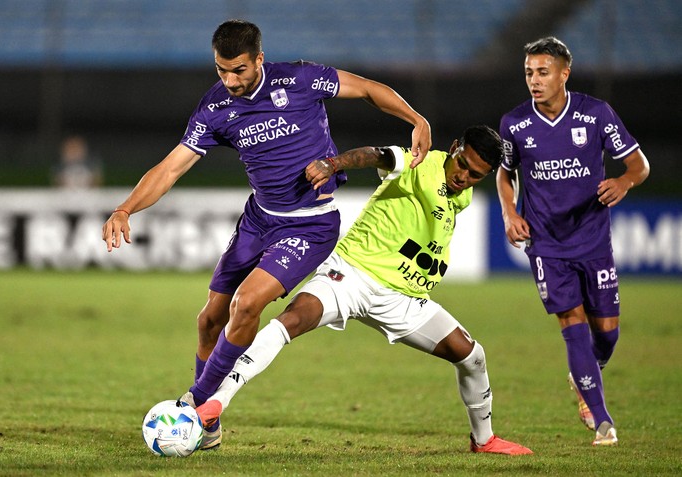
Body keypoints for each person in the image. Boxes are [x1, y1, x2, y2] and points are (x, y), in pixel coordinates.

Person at [101, 19, 431, 450]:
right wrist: (126, 208)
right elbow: (170, 168)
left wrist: (416, 118)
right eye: (221, 70)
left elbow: (367, 88)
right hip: (258, 221)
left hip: (311, 225)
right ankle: (209, 426)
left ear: (259, 58)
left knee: (248, 302)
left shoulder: (302, 79)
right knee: (209, 321)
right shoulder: (215, 107)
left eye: (238, 70)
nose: (229, 80)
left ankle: (196, 405)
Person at [182, 125, 533, 455]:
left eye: (475, 175)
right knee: (290, 321)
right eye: (463, 165)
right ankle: (217, 403)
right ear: (454, 148)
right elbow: (377, 155)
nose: (464, 177)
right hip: (350, 276)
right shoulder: (420, 162)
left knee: (472, 356)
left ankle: (484, 440)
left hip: (405, 300)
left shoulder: (463, 194)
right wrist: (334, 163)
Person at [495, 37, 650, 447]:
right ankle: (601, 420)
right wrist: (510, 212)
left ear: (565, 73)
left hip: (594, 241)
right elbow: (504, 173)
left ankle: (584, 372)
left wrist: (624, 180)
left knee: (608, 333)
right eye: (529, 72)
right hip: (546, 244)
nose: (534, 80)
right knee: (573, 325)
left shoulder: (596, 114)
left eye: (543, 72)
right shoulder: (514, 124)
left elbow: (639, 164)